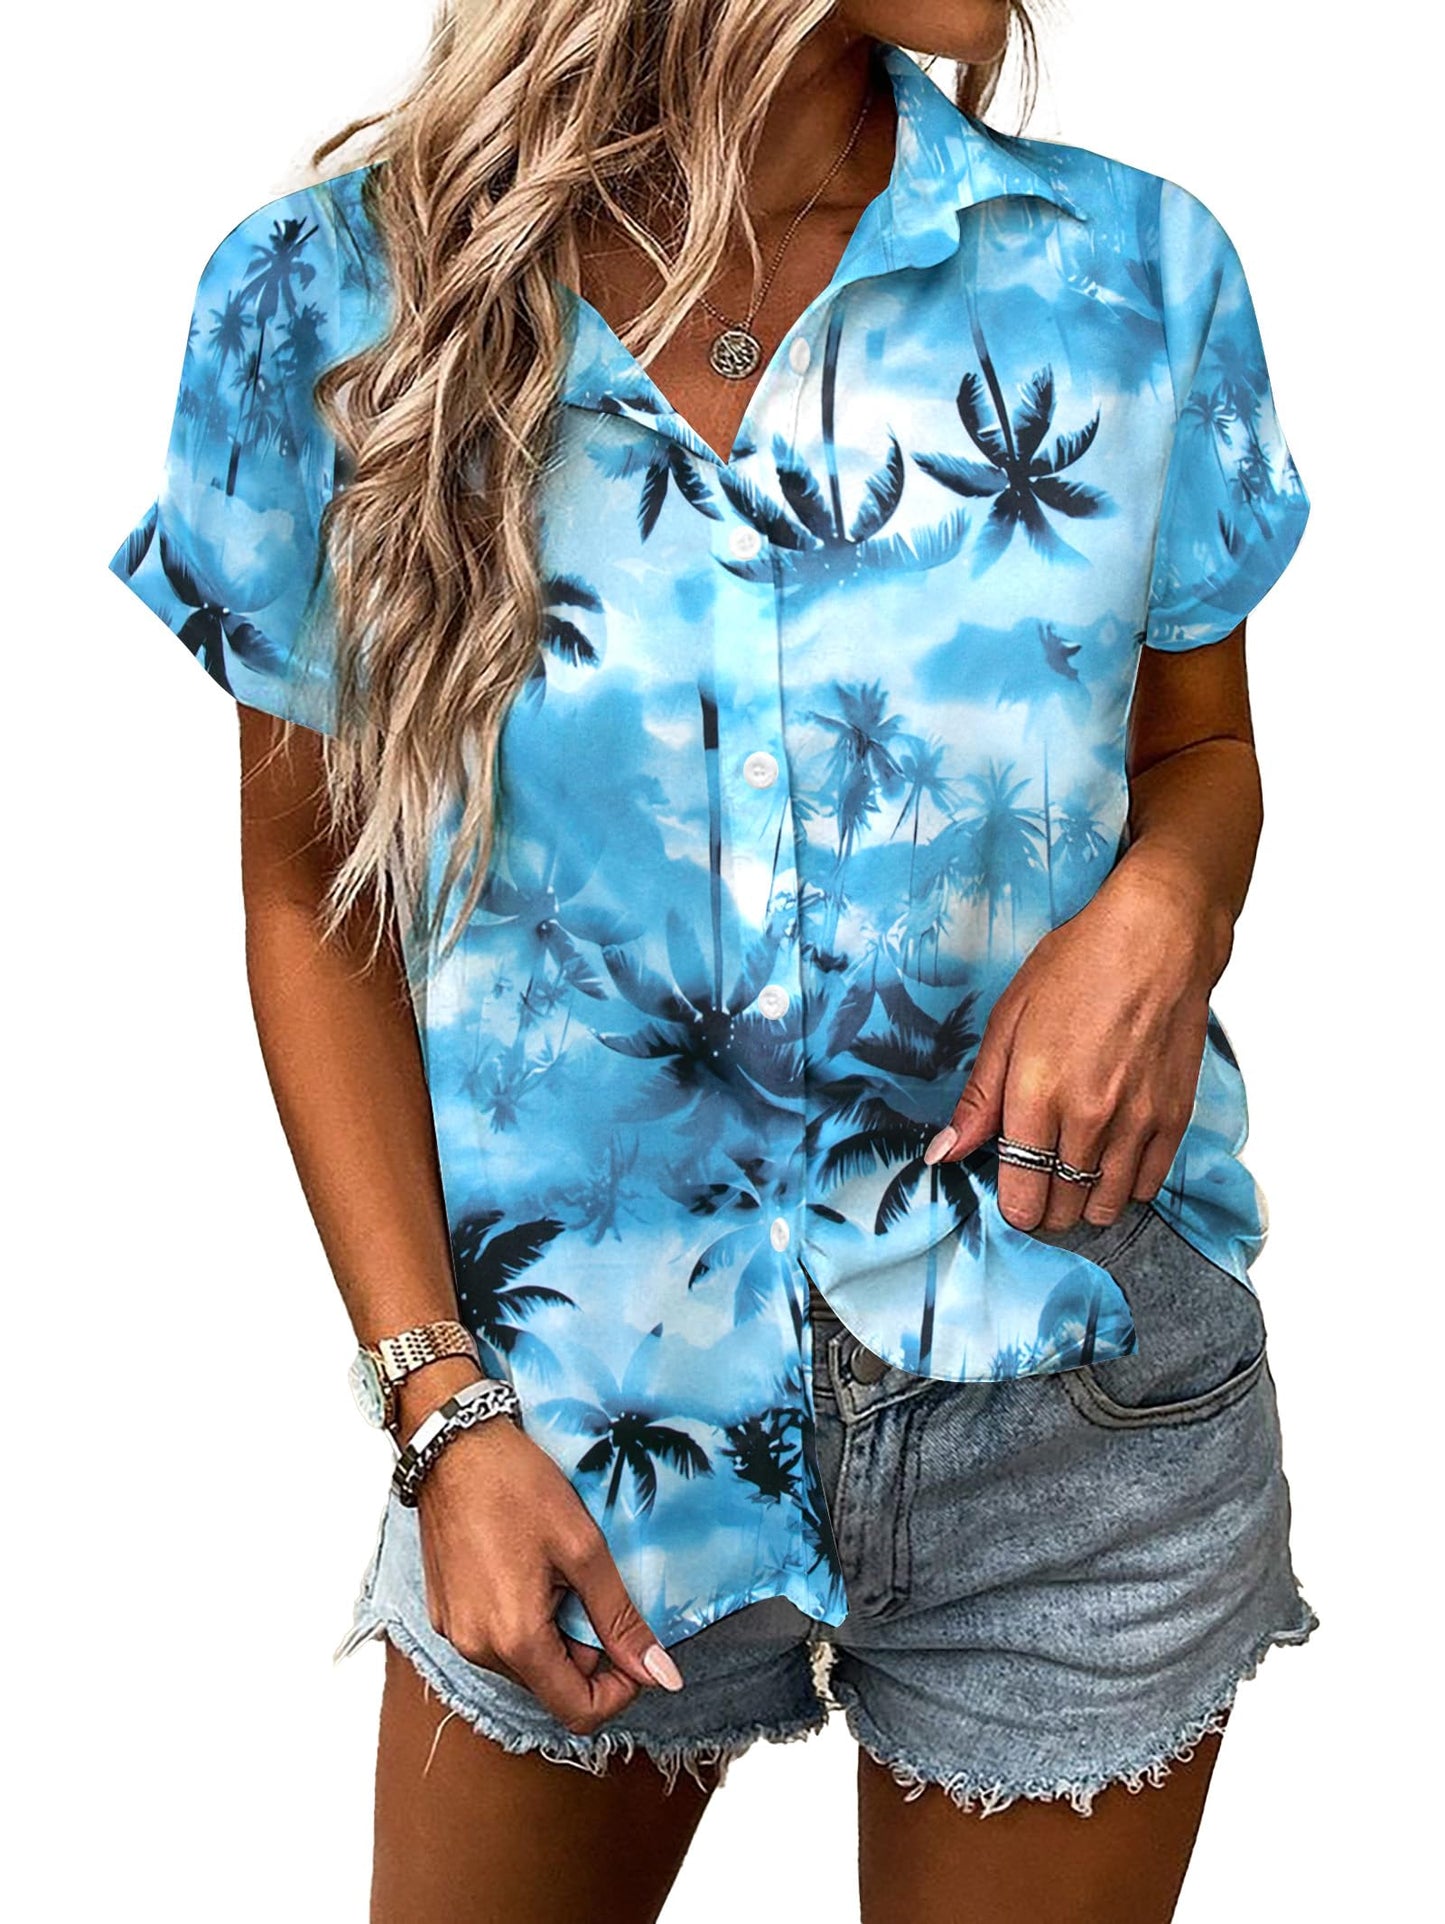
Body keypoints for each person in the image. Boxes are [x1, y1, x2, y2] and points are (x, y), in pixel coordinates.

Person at [106, 3, 1319, 1918]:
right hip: (566, 1424)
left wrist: (1167, 900)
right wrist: (441, 1418)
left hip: (1070, 1385)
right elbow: (308, 895)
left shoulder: (1129, 271)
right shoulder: (328, 301)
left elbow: (1201, 752)